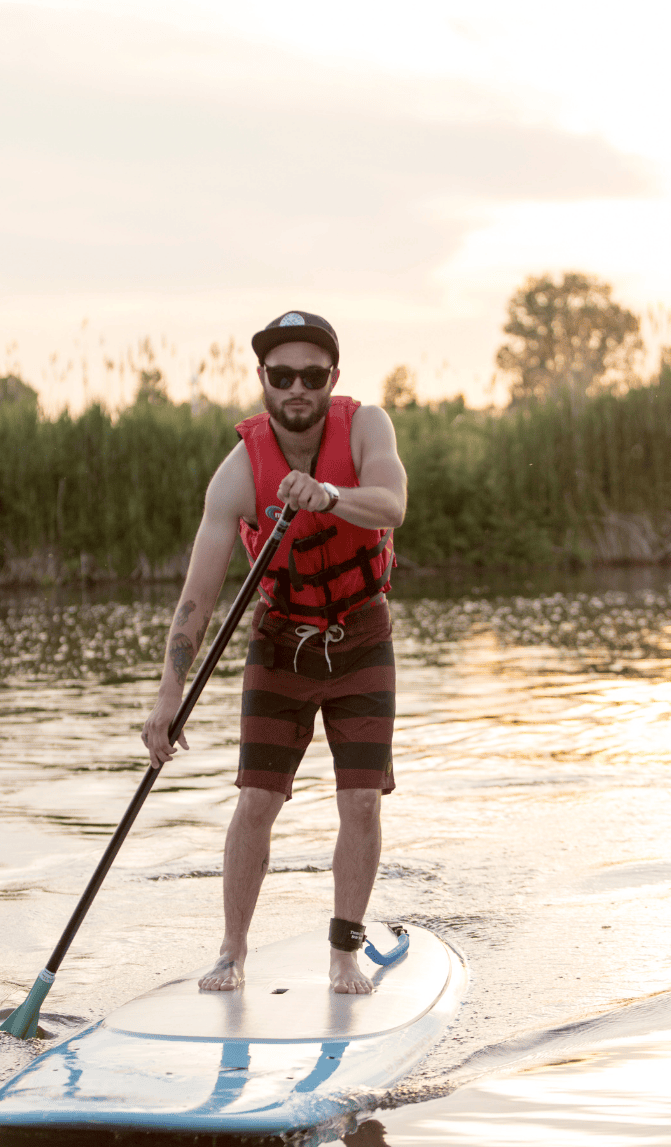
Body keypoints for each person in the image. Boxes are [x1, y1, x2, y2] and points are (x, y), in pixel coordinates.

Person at [141, 310, 407, 995]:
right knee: (256, 799)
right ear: (263, 379)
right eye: (282, 375)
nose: (296, 388)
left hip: (360, 635)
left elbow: (391, 504)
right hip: (280, 640)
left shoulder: (368, 426)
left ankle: (344, 952)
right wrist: (168, 696)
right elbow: (198, 597)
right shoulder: (237, 474)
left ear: (332, 381)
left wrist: (329, 495)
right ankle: (231, 952)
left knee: (361, 804)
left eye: (311, 376)